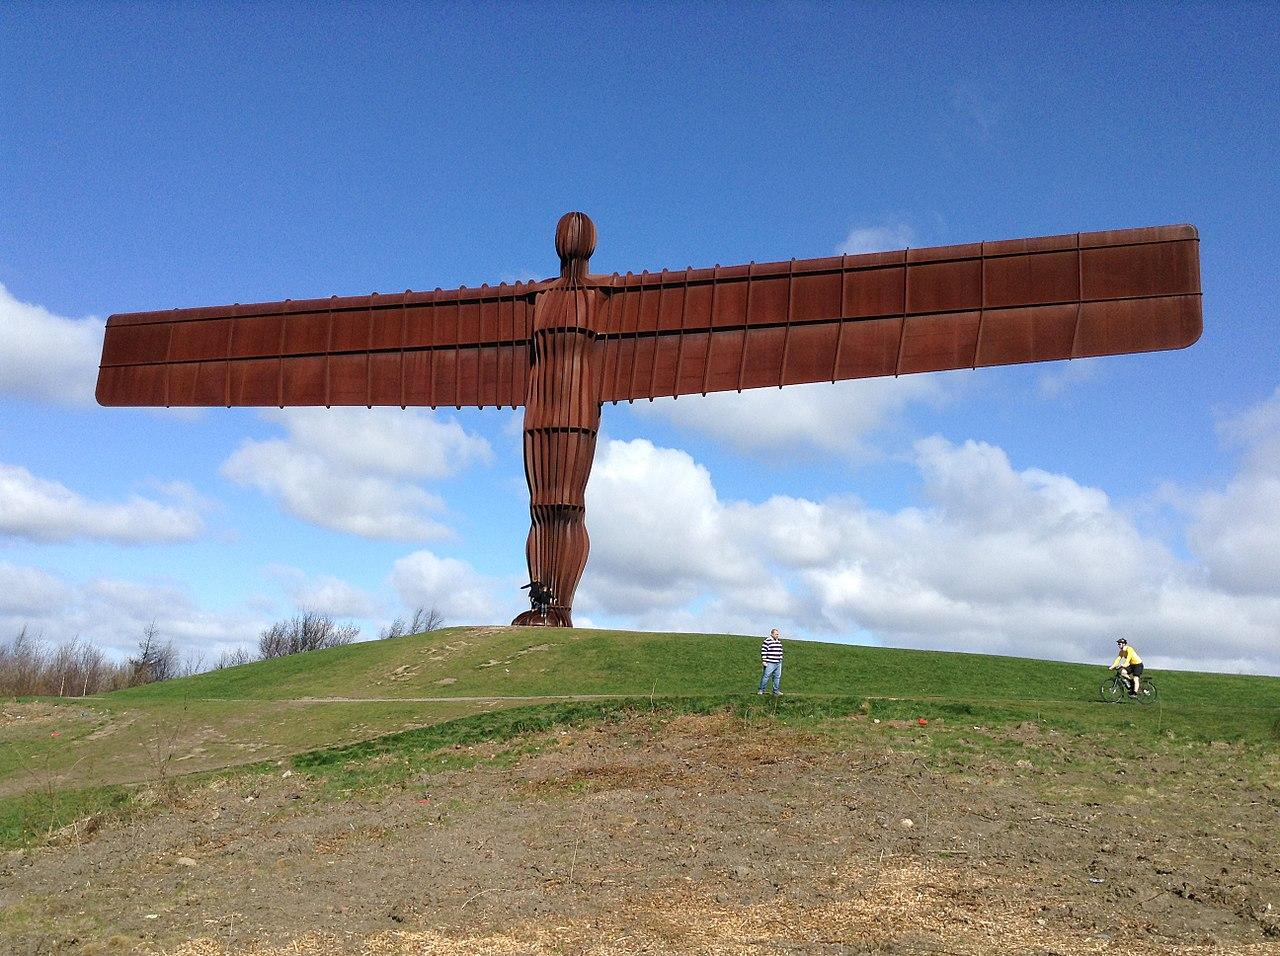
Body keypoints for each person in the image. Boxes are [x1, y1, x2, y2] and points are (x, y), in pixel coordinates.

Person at [758, 628, 783, 696]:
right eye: (776, 634)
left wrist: (780, 659)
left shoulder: (779, 642)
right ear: (772, 634)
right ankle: (761, 690)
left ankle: (776, 691)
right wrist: (764, 661)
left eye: (778, 634)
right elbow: (763, 651)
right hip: (770, 662)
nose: (777, 635)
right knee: (766, 676)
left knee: (777, 677)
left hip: (778, 662)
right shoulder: (767, 641)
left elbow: (780, 651)